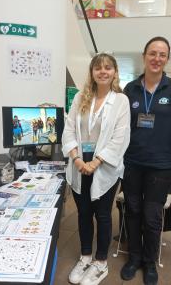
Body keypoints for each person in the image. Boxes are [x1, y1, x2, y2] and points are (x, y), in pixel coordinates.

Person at [120, 36, 171, 285]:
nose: (157, 58)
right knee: (133, 210)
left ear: (167, 58)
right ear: (144, 56)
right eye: (152, 53)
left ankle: (150, 262)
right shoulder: (130, 89)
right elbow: (123, 126)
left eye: (162, 54)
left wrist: (163, 142)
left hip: (160, 164)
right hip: (132, 162)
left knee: (152, 215)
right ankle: (134, 258)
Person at [62, 53, 130, 285]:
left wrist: (96, 162)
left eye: (108, 67)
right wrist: (77, 159)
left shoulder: (120, 101)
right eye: (98, 68)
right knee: (83, 214)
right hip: (79, 164)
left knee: (102, 215)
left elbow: (120, 138)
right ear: (92, 72)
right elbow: (69, 129)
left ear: (114, 72)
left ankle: (101, 263)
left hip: (105, 167)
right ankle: (85, 257)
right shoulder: (81, 97)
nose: (103, 71)